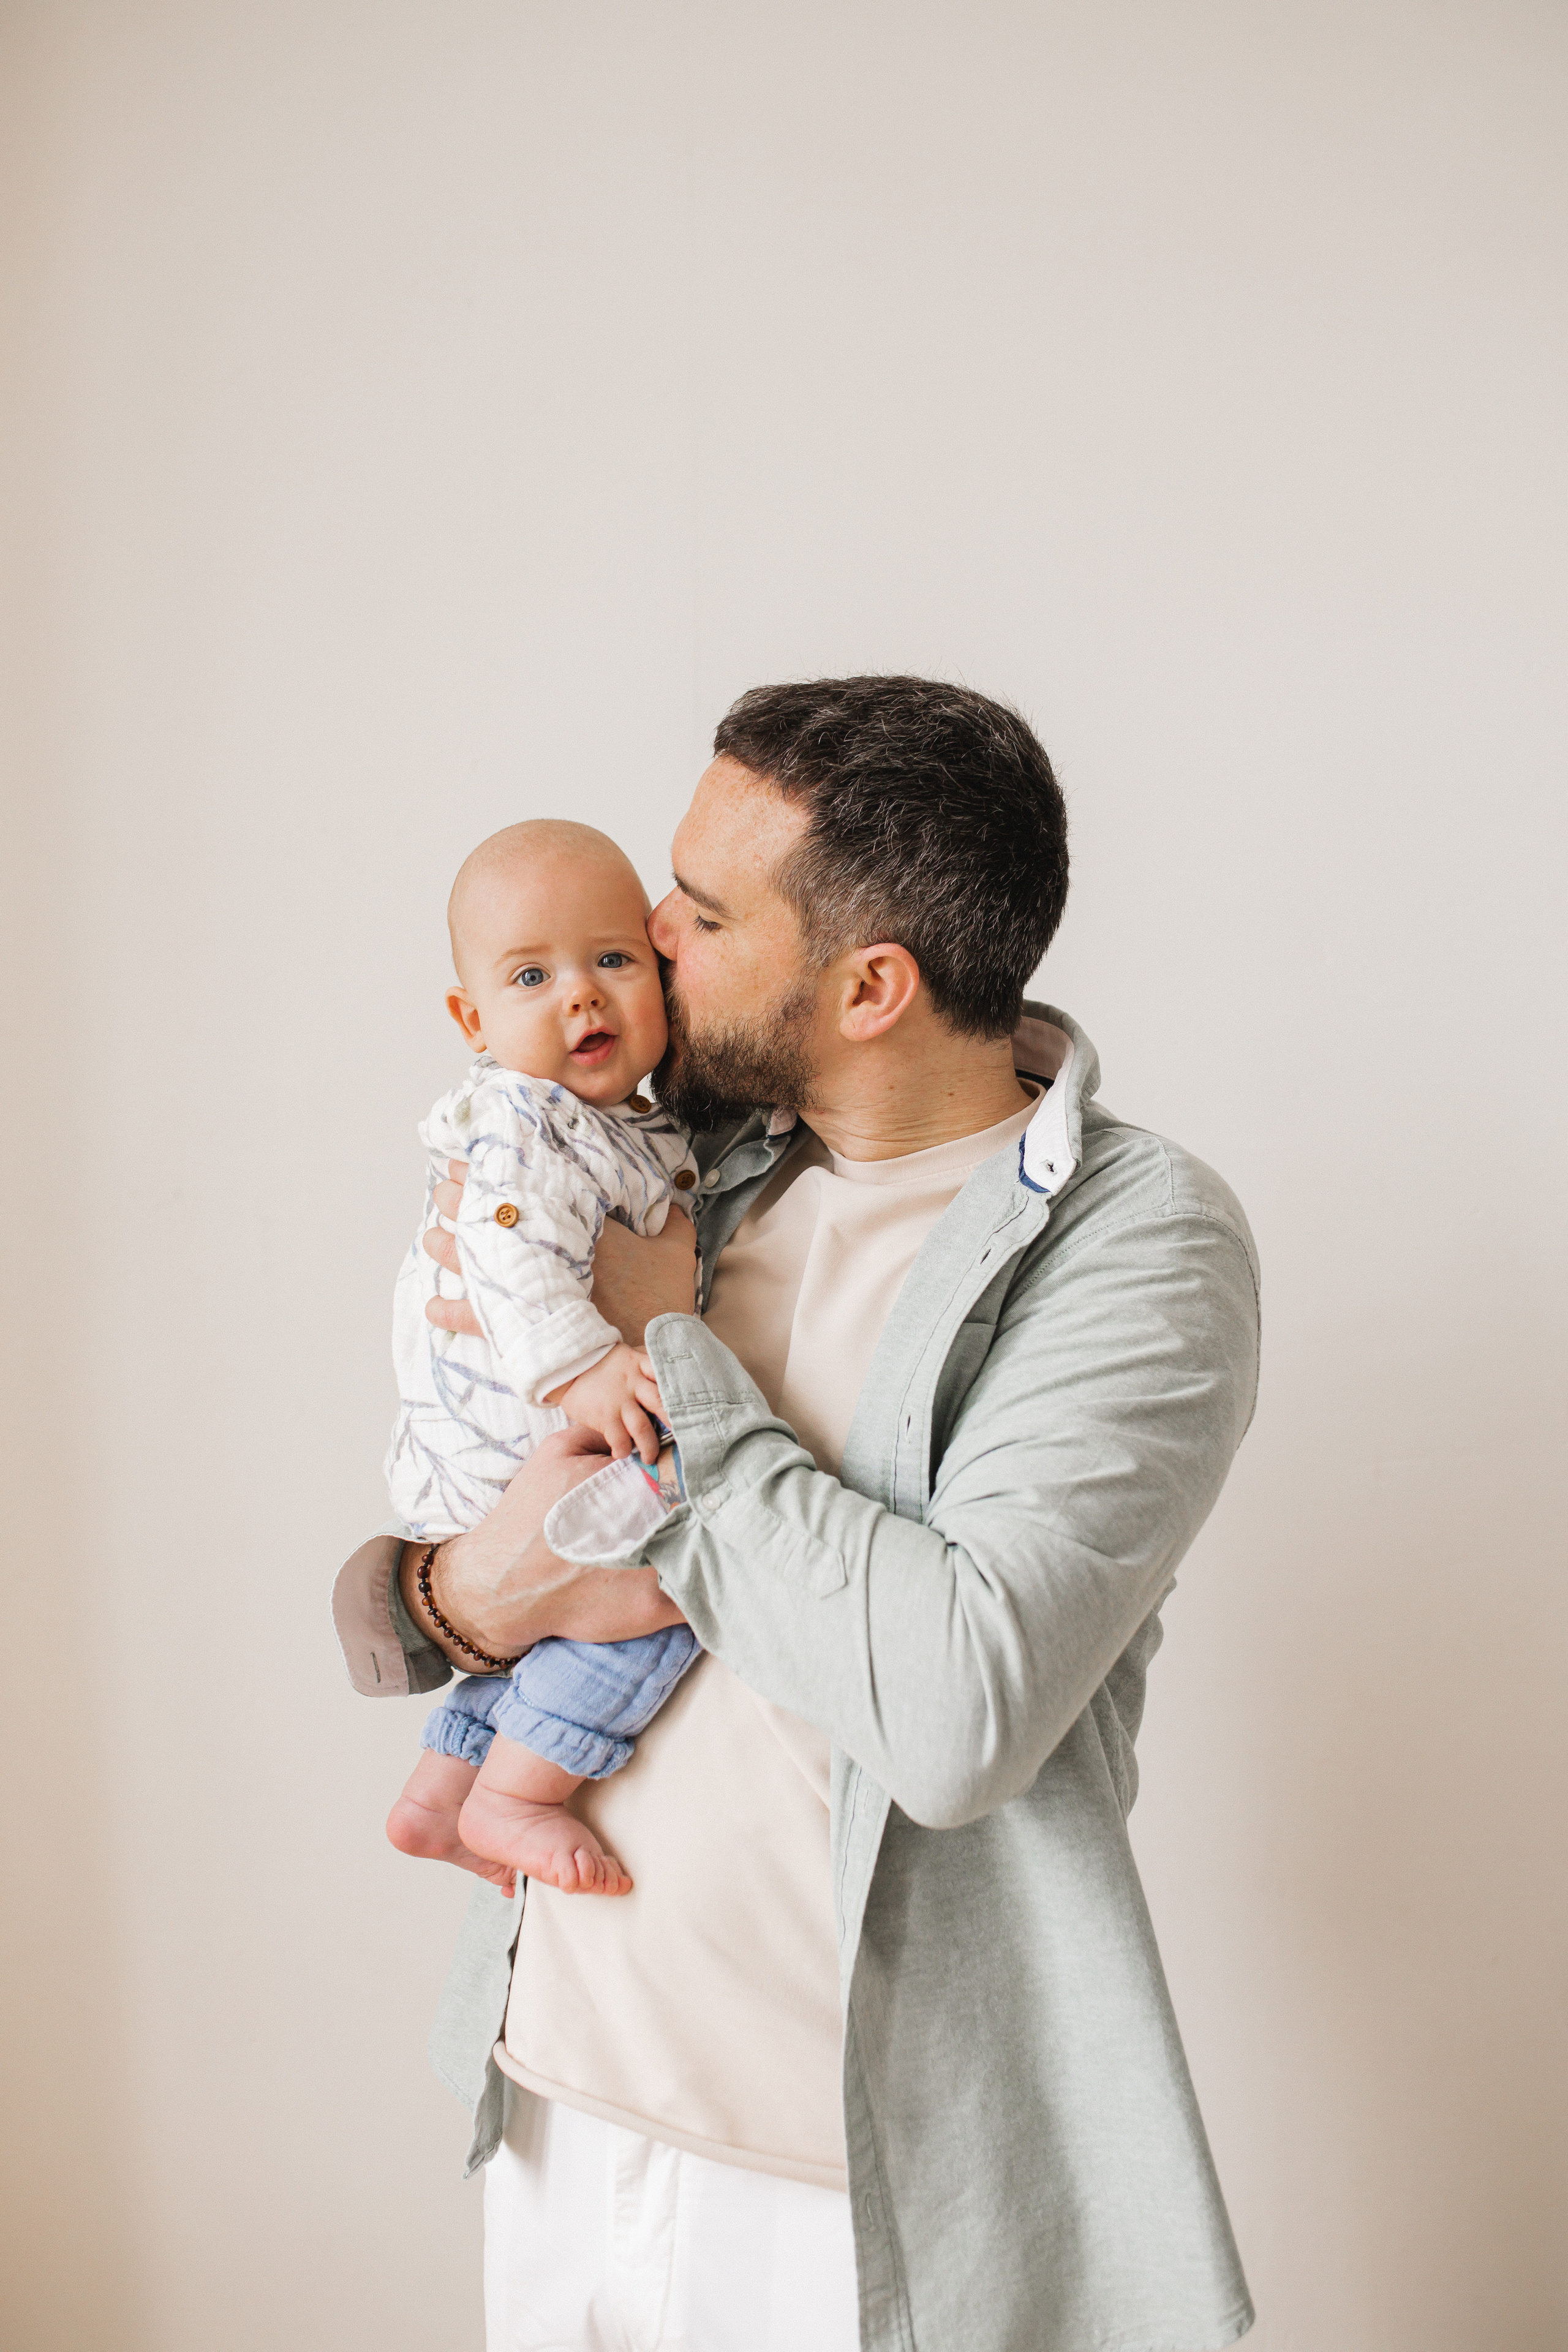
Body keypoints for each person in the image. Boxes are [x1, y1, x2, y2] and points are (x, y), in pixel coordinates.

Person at [334, 675, 1261, 2352]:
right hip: (558, 2094)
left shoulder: (1137, 1245)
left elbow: (955, 1704)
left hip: (844, 2184)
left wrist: (671, 1372)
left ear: (873, 985)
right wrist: (446, 1597)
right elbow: (464, 1513)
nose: (647, 941)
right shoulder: (676, 1152)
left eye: (696, 912)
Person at [383, 818, 698, 1901]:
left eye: (613, 959)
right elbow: (507, 1251)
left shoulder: (623, 1119)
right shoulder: (523, 1116)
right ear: (475, 1020)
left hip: (505, 1443)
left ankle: (440, 1792)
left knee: (553, 1613)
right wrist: (582, 1370)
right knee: (681, 1574)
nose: (583, 996)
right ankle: (519, 1794)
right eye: (533, 975)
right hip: (520, 1421)